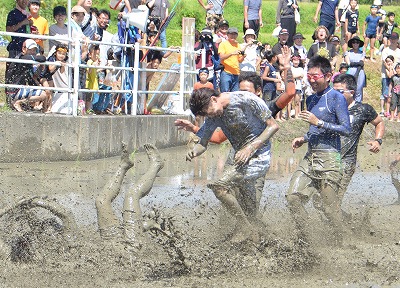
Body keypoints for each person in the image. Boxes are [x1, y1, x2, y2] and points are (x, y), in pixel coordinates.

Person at [186, 86, 279, 243]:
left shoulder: (246, 100)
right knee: (250, 211)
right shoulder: (213, 116)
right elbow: (203, 143)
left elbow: (273, 126)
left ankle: (245, 228)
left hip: (259, 156)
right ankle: (268, 245)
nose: (211, 116)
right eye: (206, 115)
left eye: (209, 112)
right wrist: (194, 151)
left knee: (219, 187)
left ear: (213, 99)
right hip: (240, 161)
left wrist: (250, 148)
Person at [286, 55, 351, 246]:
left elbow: (346, 129)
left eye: (316, 77)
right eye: (309, 76)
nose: (312, 81)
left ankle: (342, 241)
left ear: (328, 76)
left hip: (330, 158)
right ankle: (308, 239)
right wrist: (304, 138)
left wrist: (319, 122)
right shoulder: (311, 98)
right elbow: (314, 129)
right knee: (292, 198)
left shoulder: (336, 98)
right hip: (310, 157)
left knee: (329, 209)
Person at [332, 74, 384, 218]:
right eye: (333, 90)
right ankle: (347, 219)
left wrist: (377, 140)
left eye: (340, 91)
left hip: (346, 162)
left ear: (352, 92)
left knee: (333, 203)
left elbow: (379, 122)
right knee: (320, 203)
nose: (335, 94)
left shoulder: (363, 109)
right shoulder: (330, 107)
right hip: (327, 160)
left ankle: (338, 235)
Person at [95, 142, 165, 249]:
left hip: (110, 241)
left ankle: (124, 165)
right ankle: (156, 164)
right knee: (132, 195)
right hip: (131, 246)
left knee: (101, 202)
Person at [5, 39, 50, 112]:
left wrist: (40, 69)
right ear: (24, 49)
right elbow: (42, 58)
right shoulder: (24, 58)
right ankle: (18, 102)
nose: (32, 52)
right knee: (43, 94)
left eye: (34, 50)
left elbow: (32, 76)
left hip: (12, 90)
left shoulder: (23, 58)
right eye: (30, 50)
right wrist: (38, 57)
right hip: (14, 91)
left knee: (42, 91)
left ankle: (44, 109)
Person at [6, 0, 33, 73]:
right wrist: (22, 23)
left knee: (26, 74)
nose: (24, 1)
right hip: (16, 48)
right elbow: (8, 30)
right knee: (12, 73)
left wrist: (33, 31)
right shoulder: (12, 13)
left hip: (27, 49)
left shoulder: (27, 14)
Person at [218, 27, 244, 92]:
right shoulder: (223, 44)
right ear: (227, 35)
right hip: (226, 72)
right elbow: (221, 57)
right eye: (231, 34)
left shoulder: (238, 45)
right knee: (224, 92)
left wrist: (243, 56)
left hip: (236, 72)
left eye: (235, 34)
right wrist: (232, 53)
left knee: (235, 94)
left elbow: (239, 60)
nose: (233, 36)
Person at [381, 32, 400, 116]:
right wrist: (391, 71)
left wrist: (396, 73)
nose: (393, 40)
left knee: (396, 94)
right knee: (385, 93)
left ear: (397, 40)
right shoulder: (386, 50)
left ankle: (394, 111)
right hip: (386, 74)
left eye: (394, 39)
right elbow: (384, 62)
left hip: (397, 76)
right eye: (391, 38)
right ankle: (383, 110)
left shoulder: (399, 51)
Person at [344, 36, 366, 102]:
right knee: (350, 88)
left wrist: (357, 72)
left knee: (359, 88)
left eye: (357, 42)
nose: (355, 44)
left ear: (359, 44)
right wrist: (356, 63)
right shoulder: (348, 52)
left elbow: (362, 63)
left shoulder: (362, 53)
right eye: (354, 42)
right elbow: (348, 63)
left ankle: (358, 103)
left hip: (360, 71)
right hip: (350, 71)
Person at [86, 45, 100, 113]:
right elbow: (89, 71)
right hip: (89, 84)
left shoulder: (93, 62)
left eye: (98, 54)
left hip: (93, 84)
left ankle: (89, 109)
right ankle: (87, 110)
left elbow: (95, 72)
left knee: (90, 98)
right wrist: (93, 65)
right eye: (95, 54)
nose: (97, 56)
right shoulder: (90, 61)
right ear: (90, 55)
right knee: (88, 99)